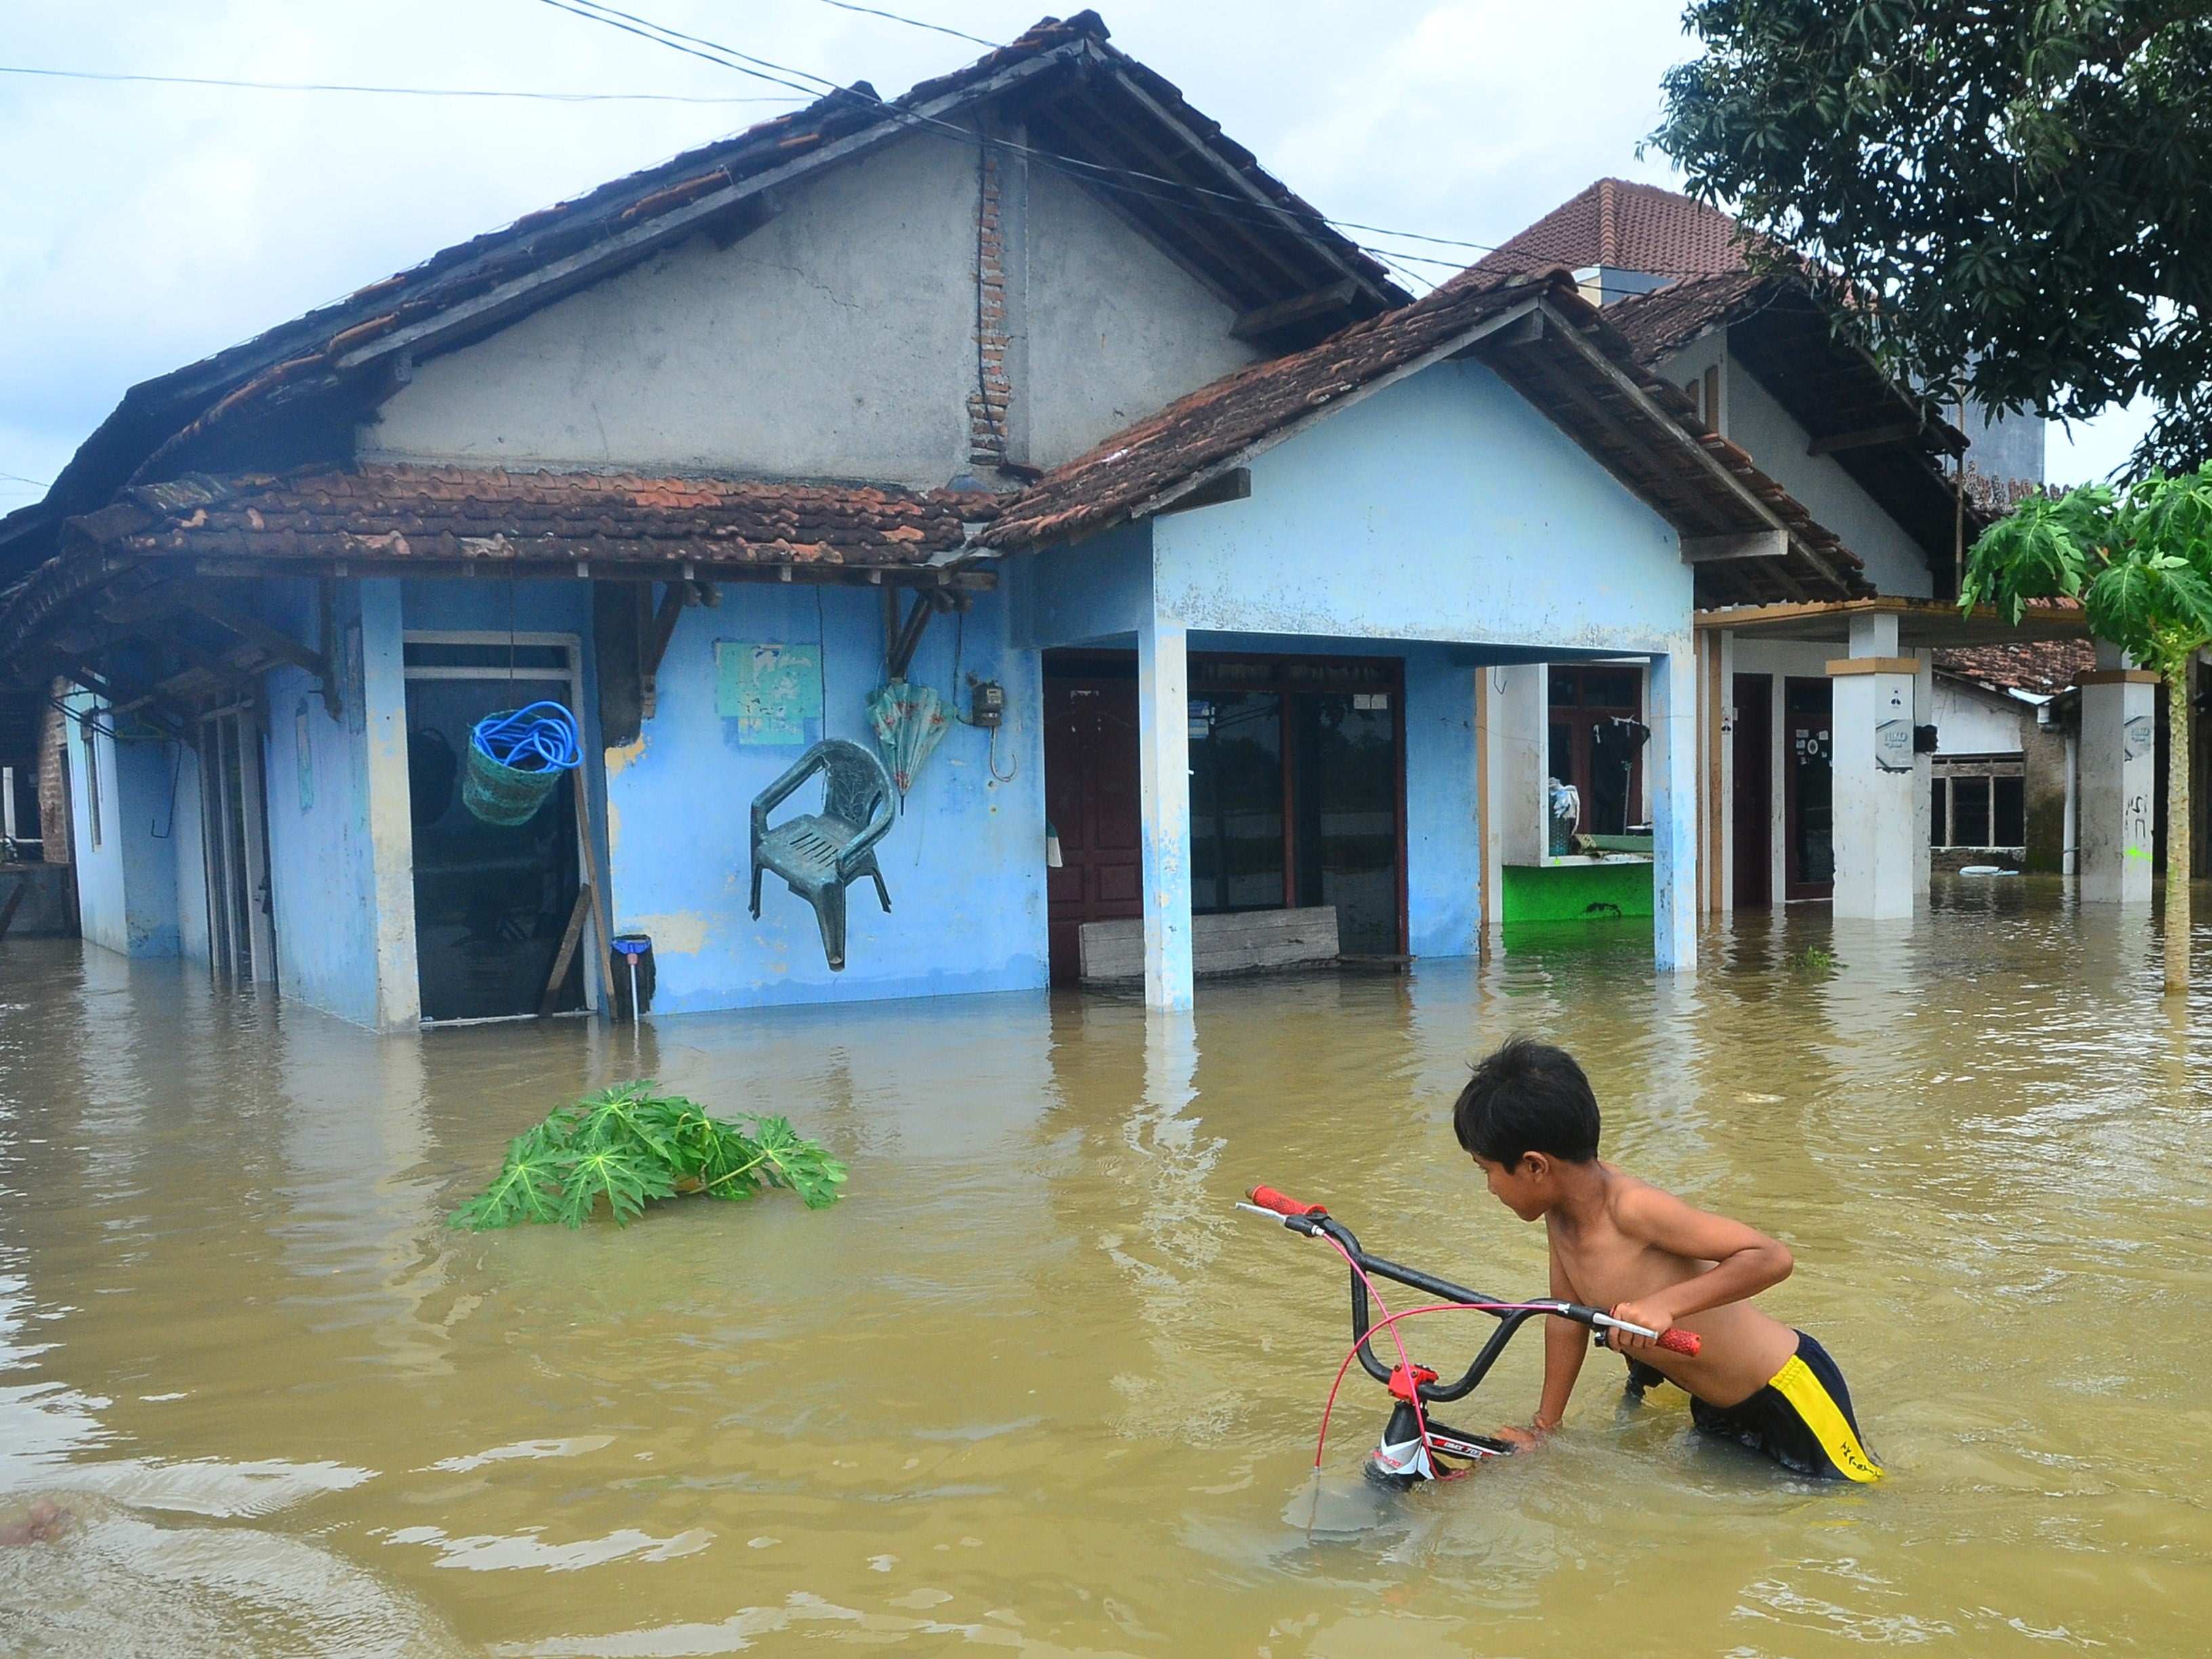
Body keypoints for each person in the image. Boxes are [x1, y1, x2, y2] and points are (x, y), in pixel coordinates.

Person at [1456, 1035, 1880, 1483]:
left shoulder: (1631, 1208)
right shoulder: (1560, 1215)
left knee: (1856, 1506)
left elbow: (1771, 1257)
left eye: (1488, 1172)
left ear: (1535, 1166)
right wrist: (1545, 1429)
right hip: (1714, 1408)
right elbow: (1565, 1320)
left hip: (1789, 1394)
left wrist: (1667, 1305)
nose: (1490, 1189)